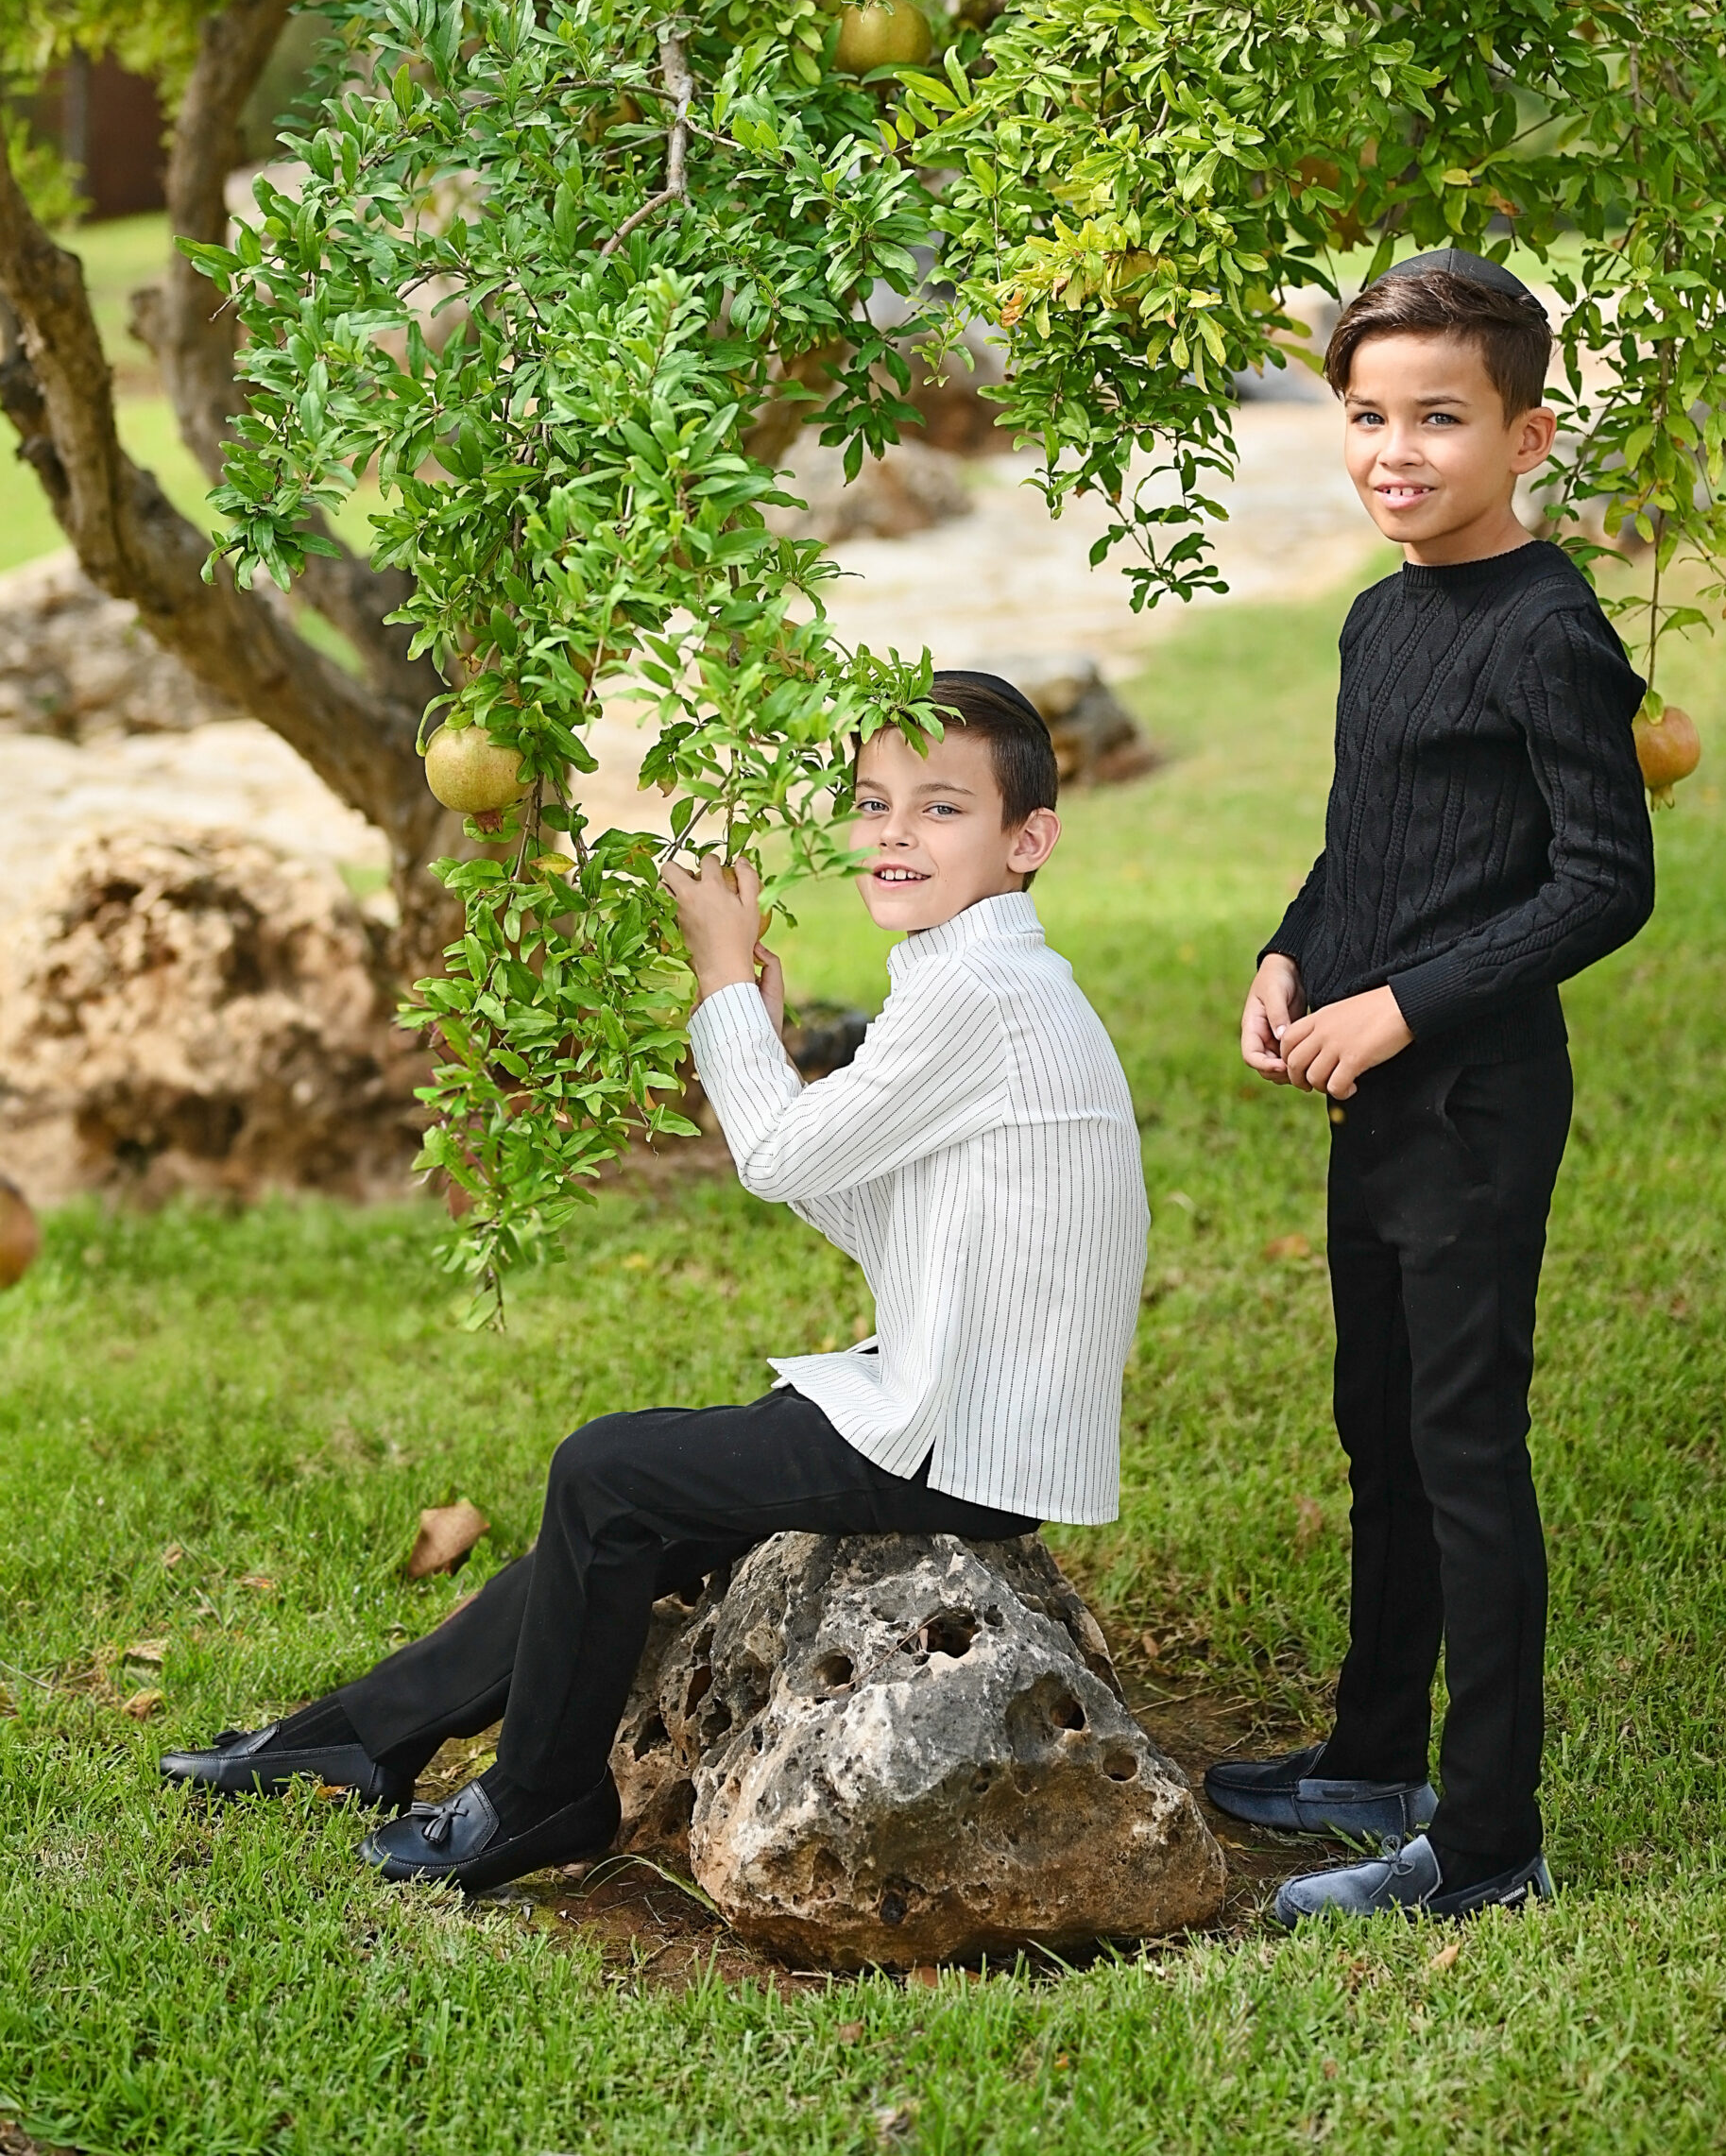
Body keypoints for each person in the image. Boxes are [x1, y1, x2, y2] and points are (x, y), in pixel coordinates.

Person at [161, 672, 1150, 1897]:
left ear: (1027, 838)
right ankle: (357, 1737)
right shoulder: (983, 979)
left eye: (940, 807)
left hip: (961, 1437)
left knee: (605, 1470)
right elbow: (850, 1192)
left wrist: (724, 976)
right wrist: (764, 1040)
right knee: (617, 1513)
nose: (894, 831)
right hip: (958, 1411)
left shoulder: (977, 996)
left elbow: (778, 1156)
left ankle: (540, 1796)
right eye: (871, 800)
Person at [1205, 249, 1655, 1925]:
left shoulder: (1551, 630)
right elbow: (1366, 842)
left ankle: (1485, 1843)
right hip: (1370, 1094)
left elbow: (1604, 879)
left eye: (1441, 417)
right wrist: (1288, 952)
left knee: (1465, 1449)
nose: (1396, 449)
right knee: (1377, 1429)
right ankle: (1368, 1756)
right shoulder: (1380, 616)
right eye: (1368, 413)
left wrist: (1401, 1007)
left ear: (1527, 434)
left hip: (1472, 1104)